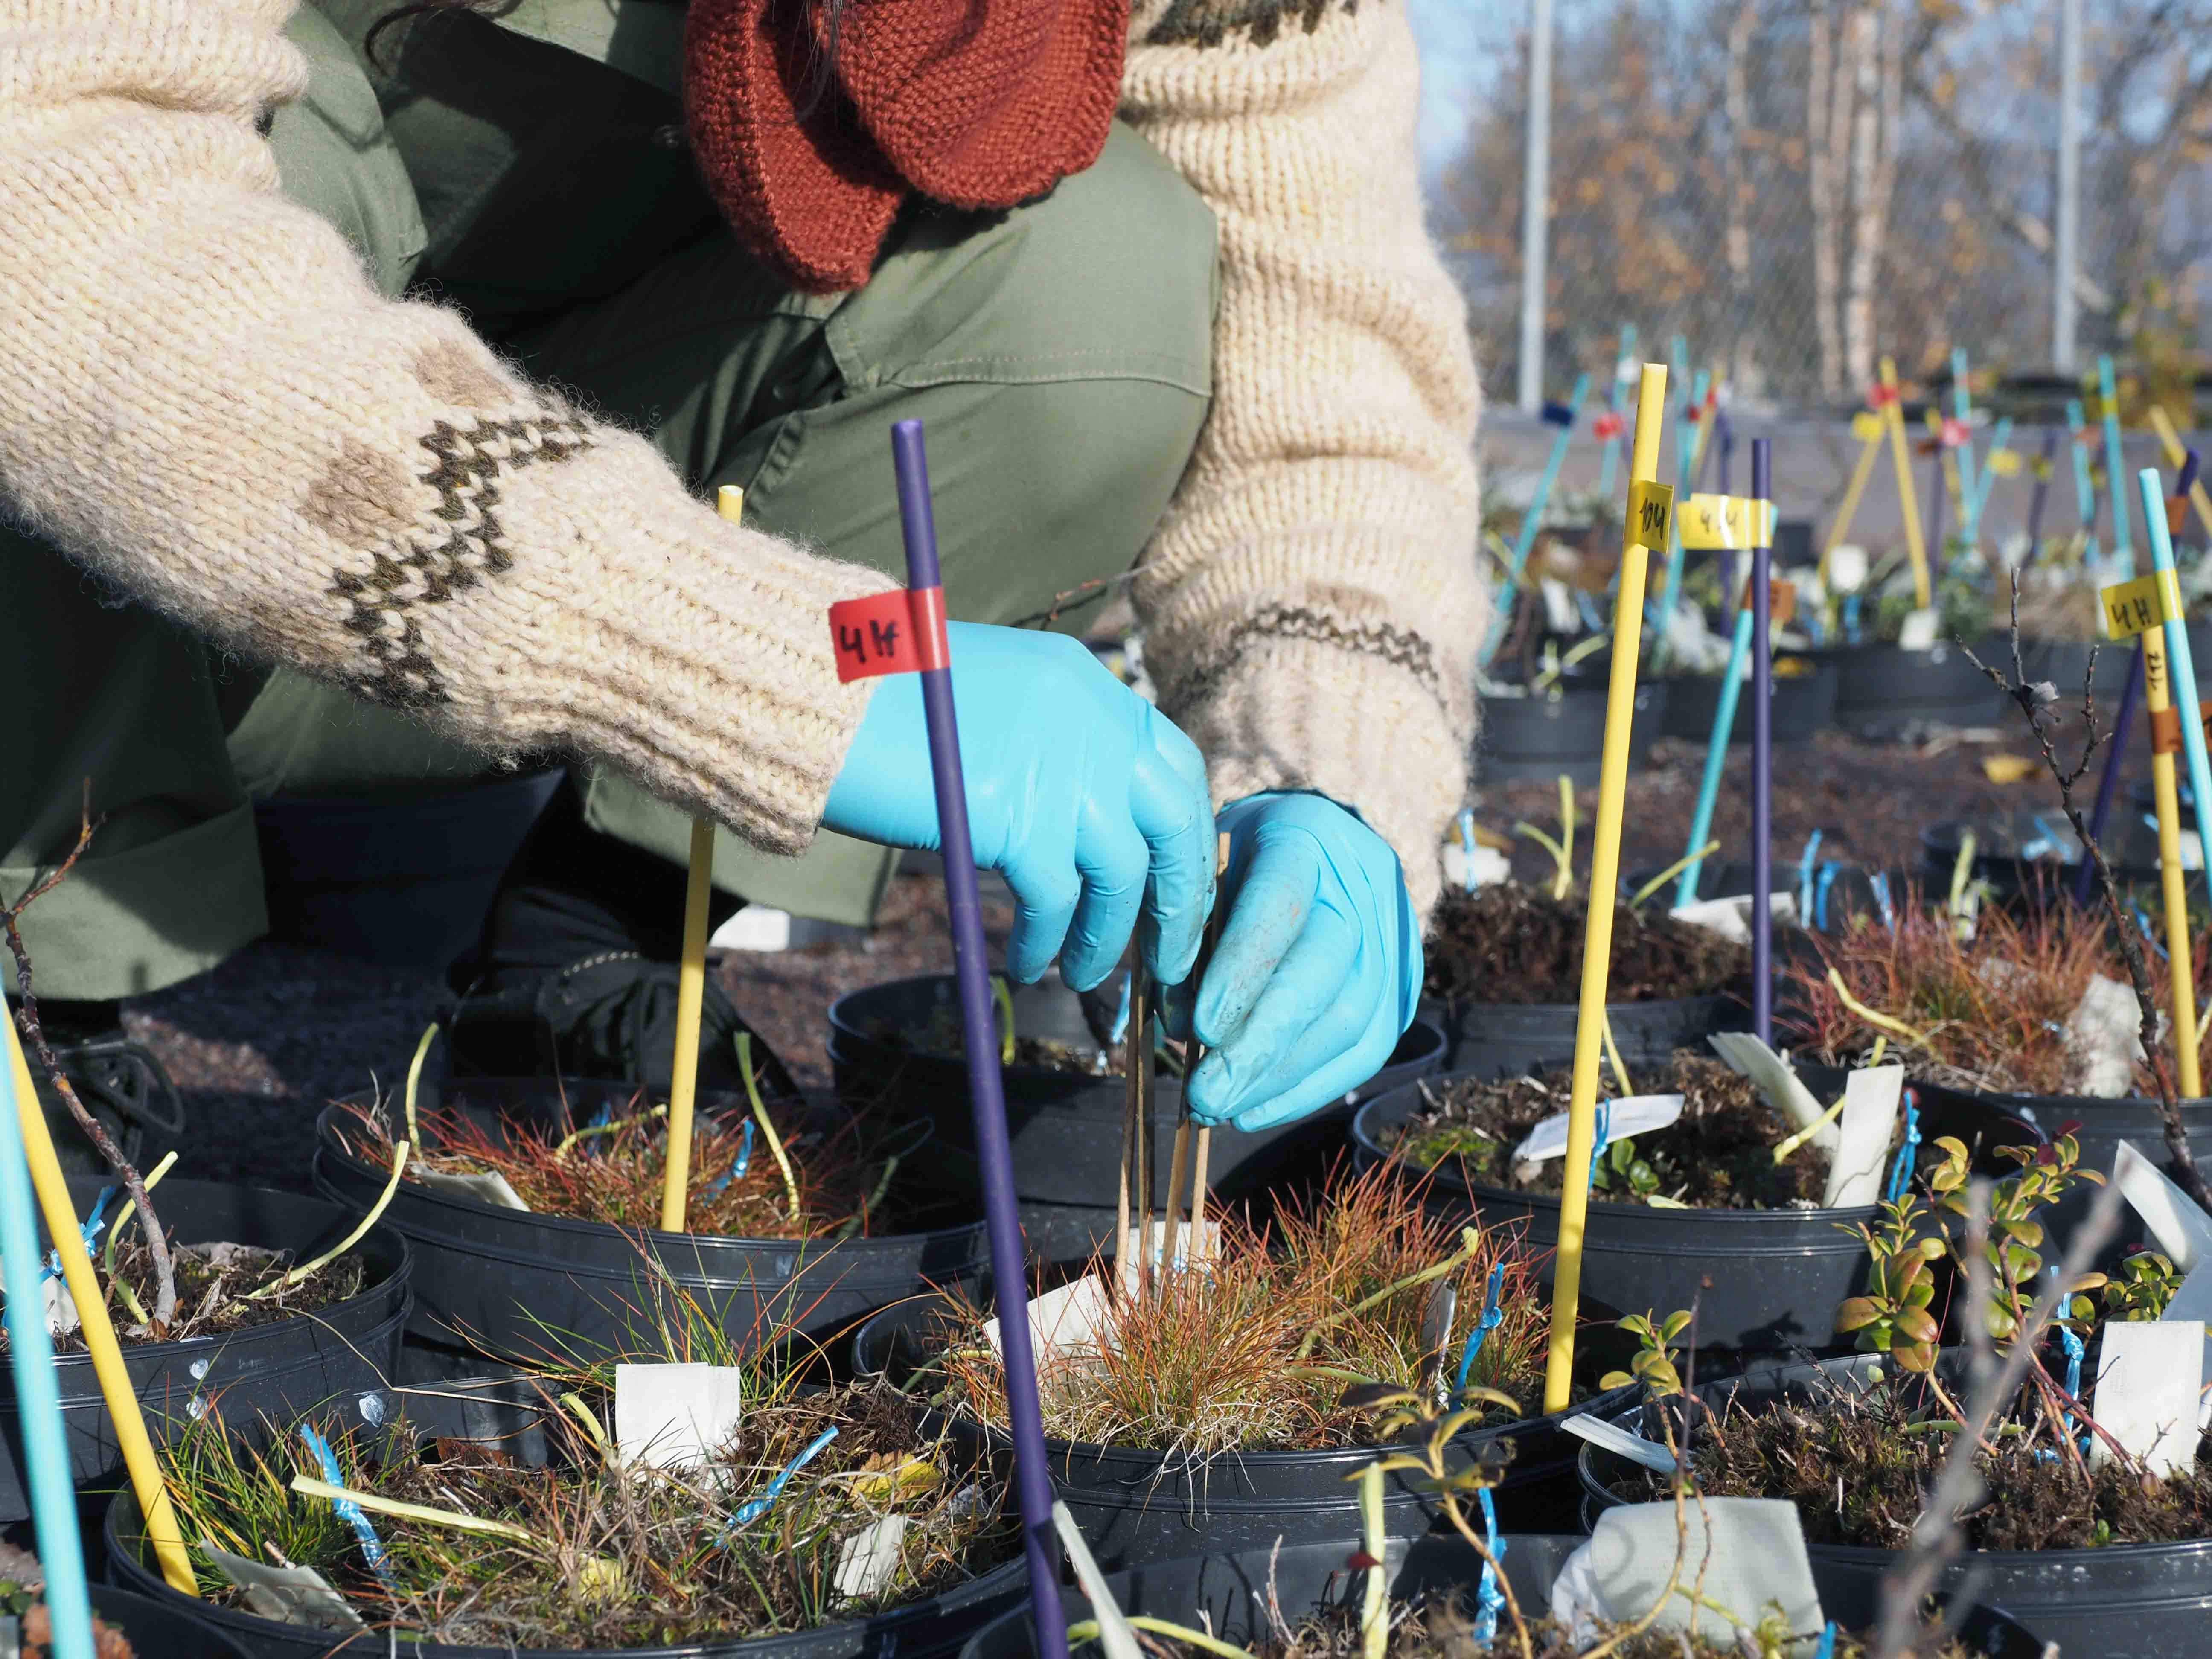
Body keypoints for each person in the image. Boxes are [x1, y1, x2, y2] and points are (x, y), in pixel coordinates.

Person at [0, 0, 1484, 1143]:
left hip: (557, 585)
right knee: (261, 159)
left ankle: (594, 962)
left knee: (1094, 271)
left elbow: (1327, 404)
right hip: (119, 554)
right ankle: (44, 983)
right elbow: (60, 220)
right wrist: (768, 675)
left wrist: (1331, 765)